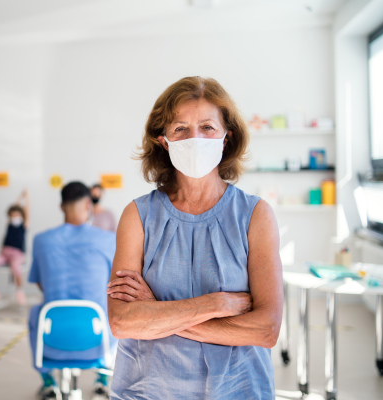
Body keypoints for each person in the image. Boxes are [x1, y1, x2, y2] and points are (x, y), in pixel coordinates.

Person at [106, 76, 283, 399]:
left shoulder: (256, 215)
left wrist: (156, 310)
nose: (195, 138)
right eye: (181, 129)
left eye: (207, 128)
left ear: (227, 137)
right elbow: (122, 323)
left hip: (238, 389)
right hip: (149, 390)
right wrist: (217, 304)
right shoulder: (138, 216)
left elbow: (266, 329)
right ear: (164, 140)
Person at [28, 182, 117, 400]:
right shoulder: (107, 240)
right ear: (89, 204)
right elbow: (113, 284)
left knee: (34, 313)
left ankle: (48, 380)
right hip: (98, 343)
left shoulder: (41, 241)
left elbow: (41, 283)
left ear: (61, 207)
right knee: (114, 310)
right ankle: (103, 378)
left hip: (51, 342)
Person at [0, 190, 29, 305]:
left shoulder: (24, 225)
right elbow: (14, 207)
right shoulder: (9, 224)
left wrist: (26, 197)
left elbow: (26, 210)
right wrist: (19, 197)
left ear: (22, 215)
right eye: (12, 215)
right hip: (4, 254)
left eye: (17, 215)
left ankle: (19, 291)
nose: (15, 217)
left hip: (17, 254)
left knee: (15, 267)